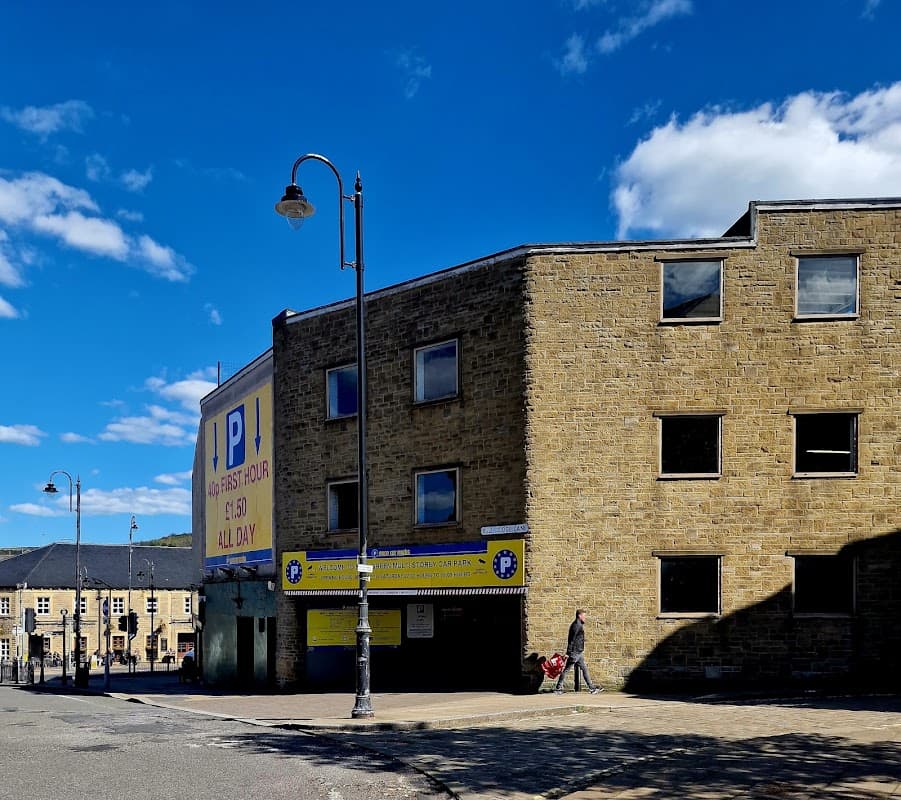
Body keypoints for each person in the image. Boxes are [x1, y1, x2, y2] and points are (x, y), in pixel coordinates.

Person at [554, 608, 603, 694]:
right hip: (575, 652)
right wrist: (568, 653)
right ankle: (558, 688)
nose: (585, 618)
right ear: (579, 616)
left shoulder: (578, 624)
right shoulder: (576, 625)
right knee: (567, 669)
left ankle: (591, 688)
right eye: (584, 616)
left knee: (584, 669)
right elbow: (571, 640)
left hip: (578, 652)